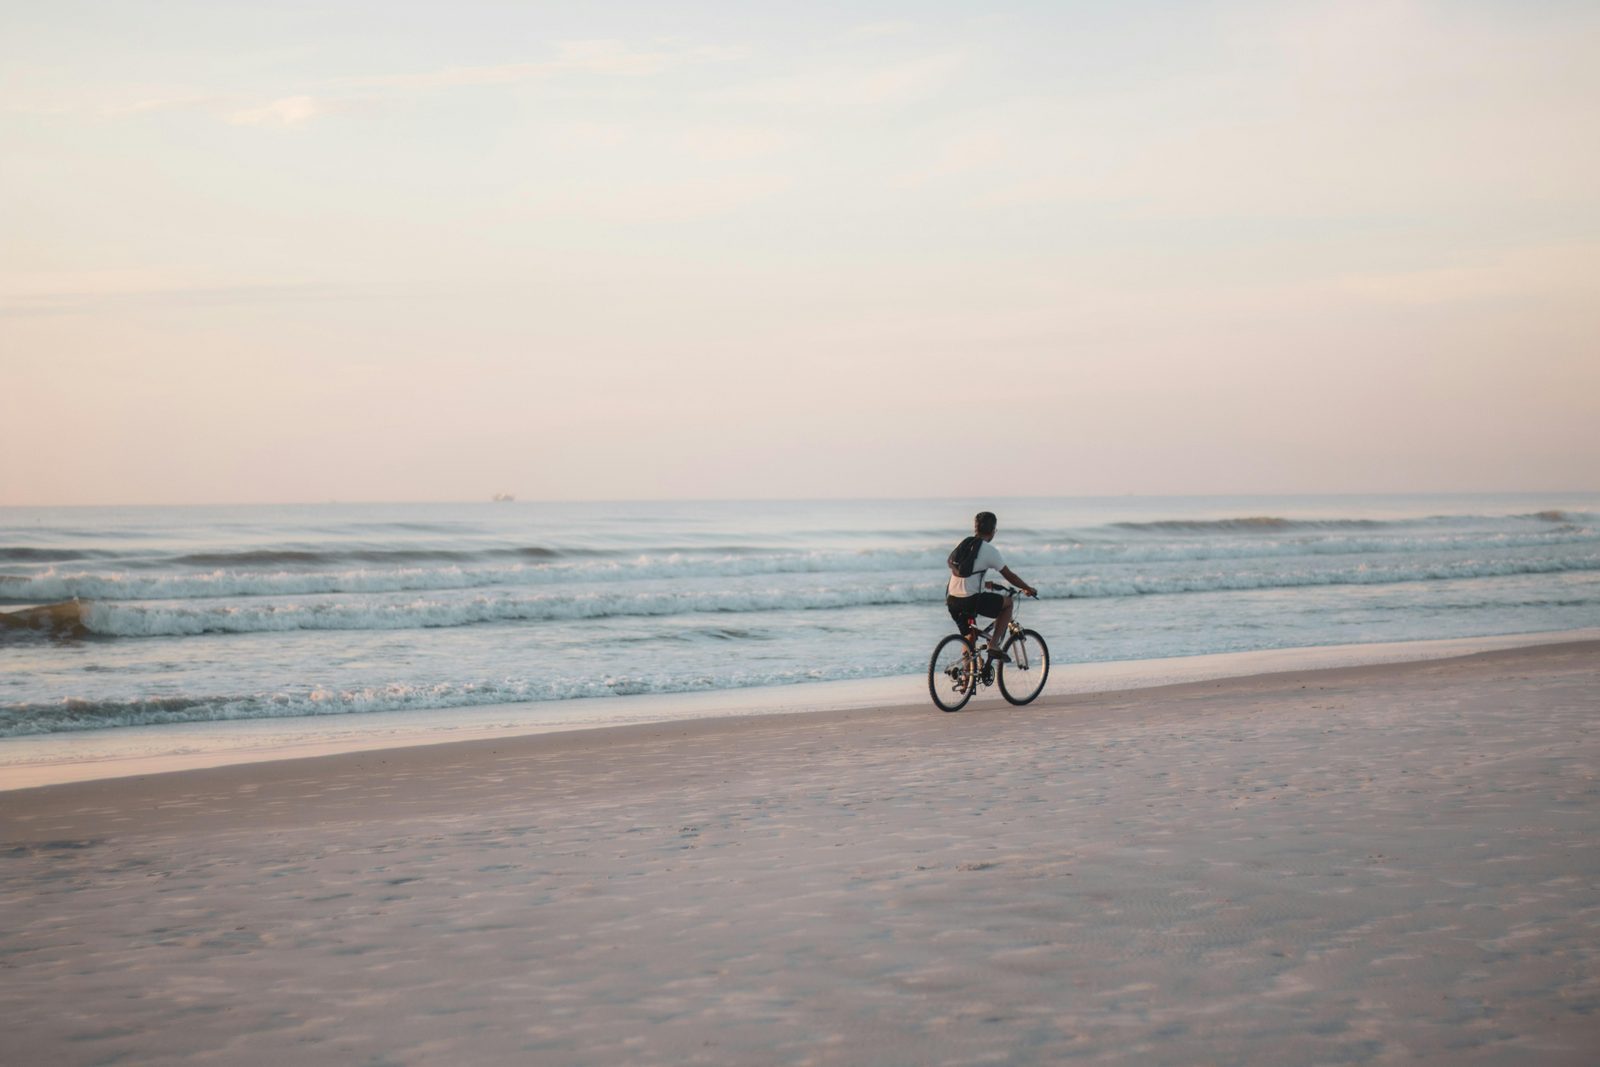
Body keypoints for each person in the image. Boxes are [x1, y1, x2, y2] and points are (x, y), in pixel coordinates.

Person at [946, 511, 1037, 663]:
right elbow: (1010, 575)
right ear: (993, 530)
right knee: (1008, 603)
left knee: (969, 636)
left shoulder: (962, 544)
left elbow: (966, 573)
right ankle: (994, 645)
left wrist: (985, 584)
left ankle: (965, 679)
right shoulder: (989, 550)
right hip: (971, 600)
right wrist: (1028, 588)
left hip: (952, 600)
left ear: (975, 528)